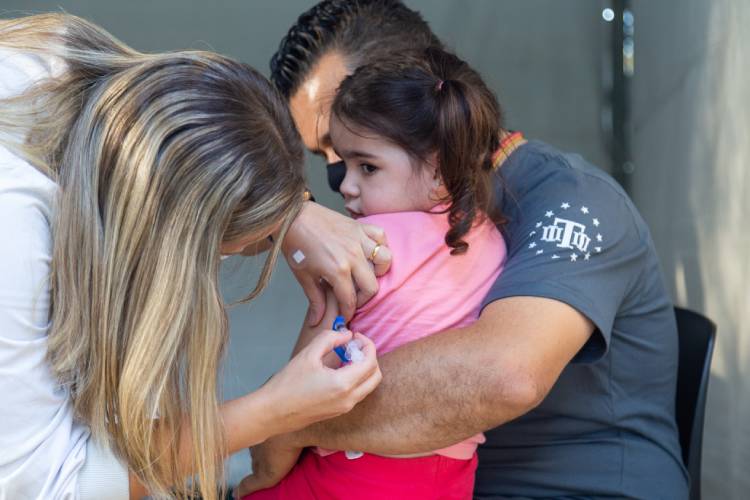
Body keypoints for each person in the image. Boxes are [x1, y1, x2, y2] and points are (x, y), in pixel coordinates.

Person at [237, 1, 689, 498]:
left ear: (419, 87)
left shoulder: (574, 199)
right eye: (331, 157)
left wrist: (292, 415)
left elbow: (506, 374)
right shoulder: (408, 222)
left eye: (357, 150)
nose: (341, 180)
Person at [0, 13, 382, 500]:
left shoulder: (69, 61)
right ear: (172, 236)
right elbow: (55, 487)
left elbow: (202, 138)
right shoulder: (13, 235)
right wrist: (274, 409)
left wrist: (290, 209)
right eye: (219, 252)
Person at [243, 47, 507, 500]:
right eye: (345, 164)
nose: (345, 185)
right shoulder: (491, 235)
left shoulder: (362, 245)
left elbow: (300, 387)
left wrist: (260, 478)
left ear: (439, 174)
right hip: (452, 472)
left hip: (354, 472)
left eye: (367, 167)